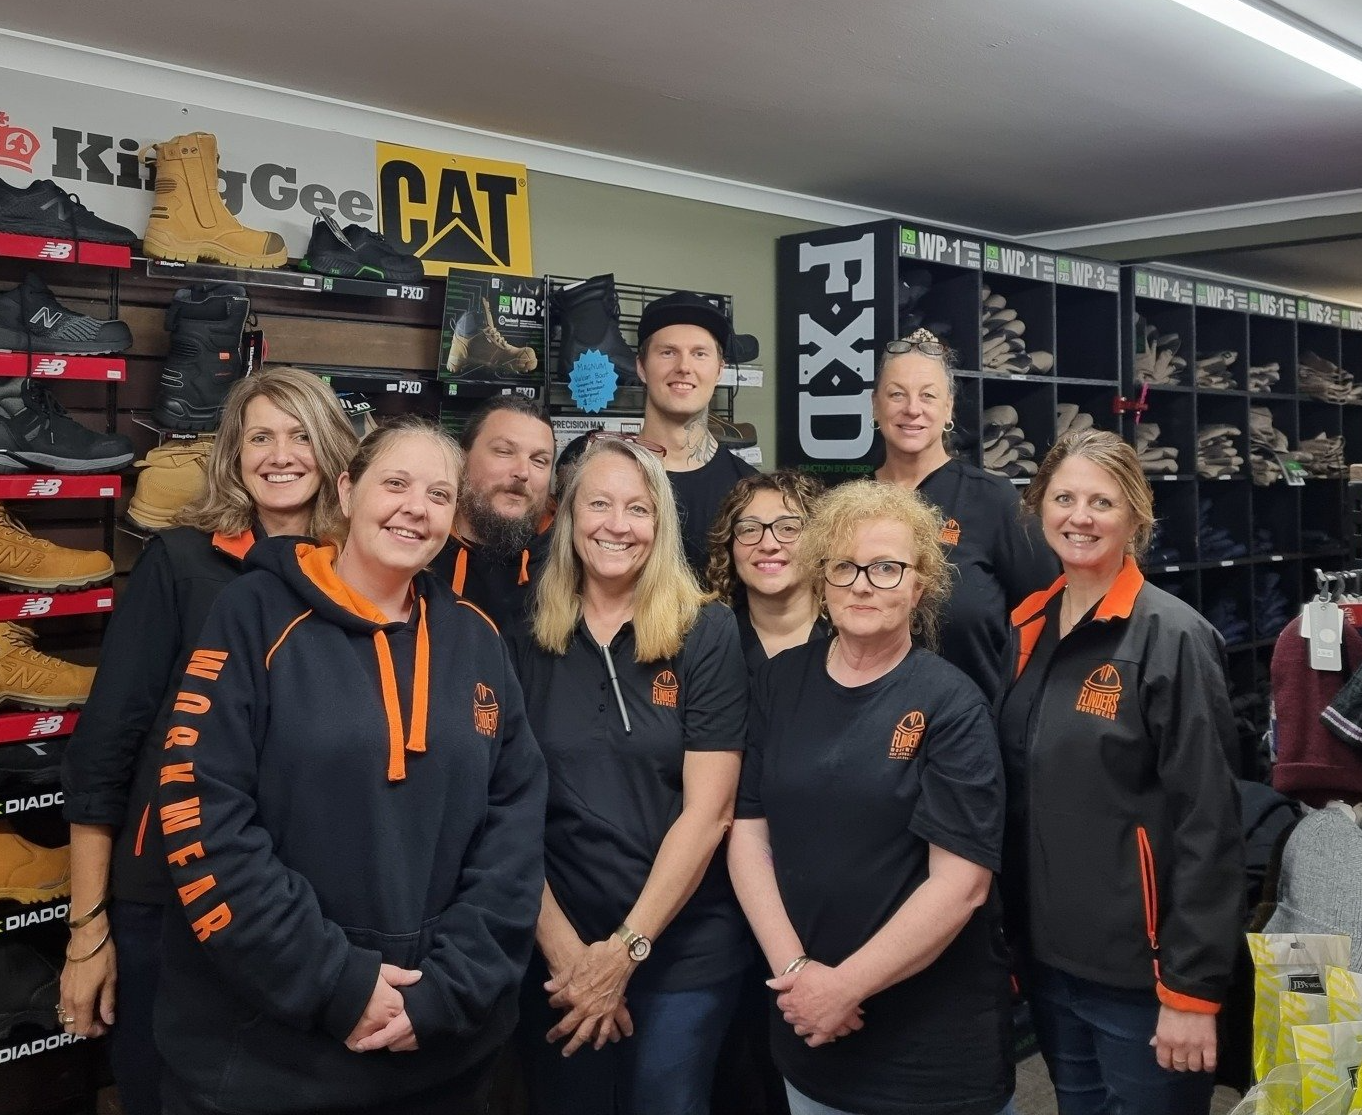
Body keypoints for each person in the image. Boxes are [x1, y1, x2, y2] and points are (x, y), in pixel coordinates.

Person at [152, 418, 547, 1115]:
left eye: (437, 494)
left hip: (443, 1049)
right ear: (347, 488)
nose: (414, 508)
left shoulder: (478, 640)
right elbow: (202, 813)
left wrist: (448, 986)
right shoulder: (252, 613)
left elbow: (513, 833)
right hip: (265, 1059)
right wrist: (336, 979)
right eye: (394, 483)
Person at [58, 367, 358, 1115]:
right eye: (260, 436)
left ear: (331, 453)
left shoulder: (361, 577)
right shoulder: (182, 563)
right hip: (165, 898)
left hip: (303, 905)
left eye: (299, 436)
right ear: (233, 454)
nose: (280, 454)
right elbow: (105, 750)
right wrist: (87, 932)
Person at [729, 479, 1014, 1115]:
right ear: (822, 580)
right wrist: (800, 976)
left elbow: (961, 885)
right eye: (846, 566)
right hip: (807, 1024)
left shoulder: (952, 703)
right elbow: (748, 835)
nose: (863, 583)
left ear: (920, 585)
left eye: (887, 568)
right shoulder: (779, 683)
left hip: (928, 1046)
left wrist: (844, 987)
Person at [999, 430, 1243, 1115]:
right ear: (1039, 506)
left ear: (1135, 516)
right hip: (1050, 966)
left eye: (1102, 500)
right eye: (1065, 497)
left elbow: (1211, 823)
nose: (1080, 516)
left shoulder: (1172, 637)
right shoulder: (1029, 625)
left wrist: (1192, 991)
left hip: (1146, 981)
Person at [511, 436, 749, 1115]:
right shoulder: (523, 629)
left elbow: (708, 813)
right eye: (600, 504)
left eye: (638, 509)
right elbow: (505, 811)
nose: (618, 525)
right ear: (567, 515)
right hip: (555, 942)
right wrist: (568, 956)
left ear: (661, 524)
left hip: (682, 947)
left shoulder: (706, 631)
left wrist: (625, 951)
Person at [872, 328, 1056, 701]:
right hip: (870, 725)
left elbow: (1050, 614)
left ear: (949, 408)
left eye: (928, 395)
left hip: (974, 727)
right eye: (896, 394)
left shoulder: (992, 500)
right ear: (875, 405)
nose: (912, 408)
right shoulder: (850, 502)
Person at [559, 291, 758, 574]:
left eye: (699, 354)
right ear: (641, 366)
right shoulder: (598, 477)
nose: (684, 367)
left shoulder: (747, 487)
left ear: (719, 370)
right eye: (668, 352)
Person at [431, 395, 557, 628]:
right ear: (462, 457)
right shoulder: (422, 550)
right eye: (504, 451)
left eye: (539, 461)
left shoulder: (566, 563)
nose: (523, 472)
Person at [705, 469, 828, 675]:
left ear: (820, 542)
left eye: (788, 528)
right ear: (729, 546)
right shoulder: (708, 643)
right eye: (750, 529)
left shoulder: (851, 636)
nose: (768, 544)